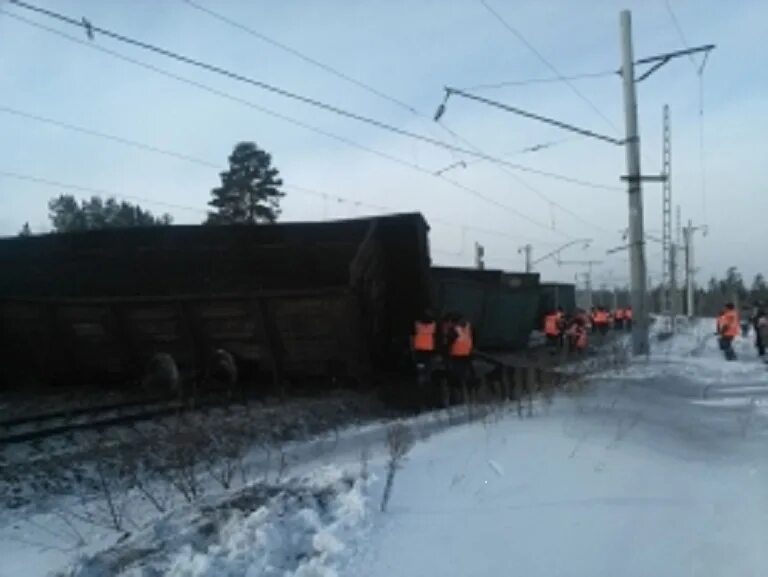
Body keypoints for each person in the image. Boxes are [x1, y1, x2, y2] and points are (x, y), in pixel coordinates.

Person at [448, 315, 474, 401]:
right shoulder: (468, 327)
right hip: (467, 354)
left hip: (457, 355)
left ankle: (458, 395)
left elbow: (449, 341)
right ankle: (468, 393)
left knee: (456, 375)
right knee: (465, 374)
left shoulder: (455, 330)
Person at [412, 310, 437, 387]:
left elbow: (413, 335)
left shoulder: (417, 324)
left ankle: (422, 377)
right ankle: (426, 378)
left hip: (420, 349)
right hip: (428, 349)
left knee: (421, 364)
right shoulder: (433, 325)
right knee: (427, 364)